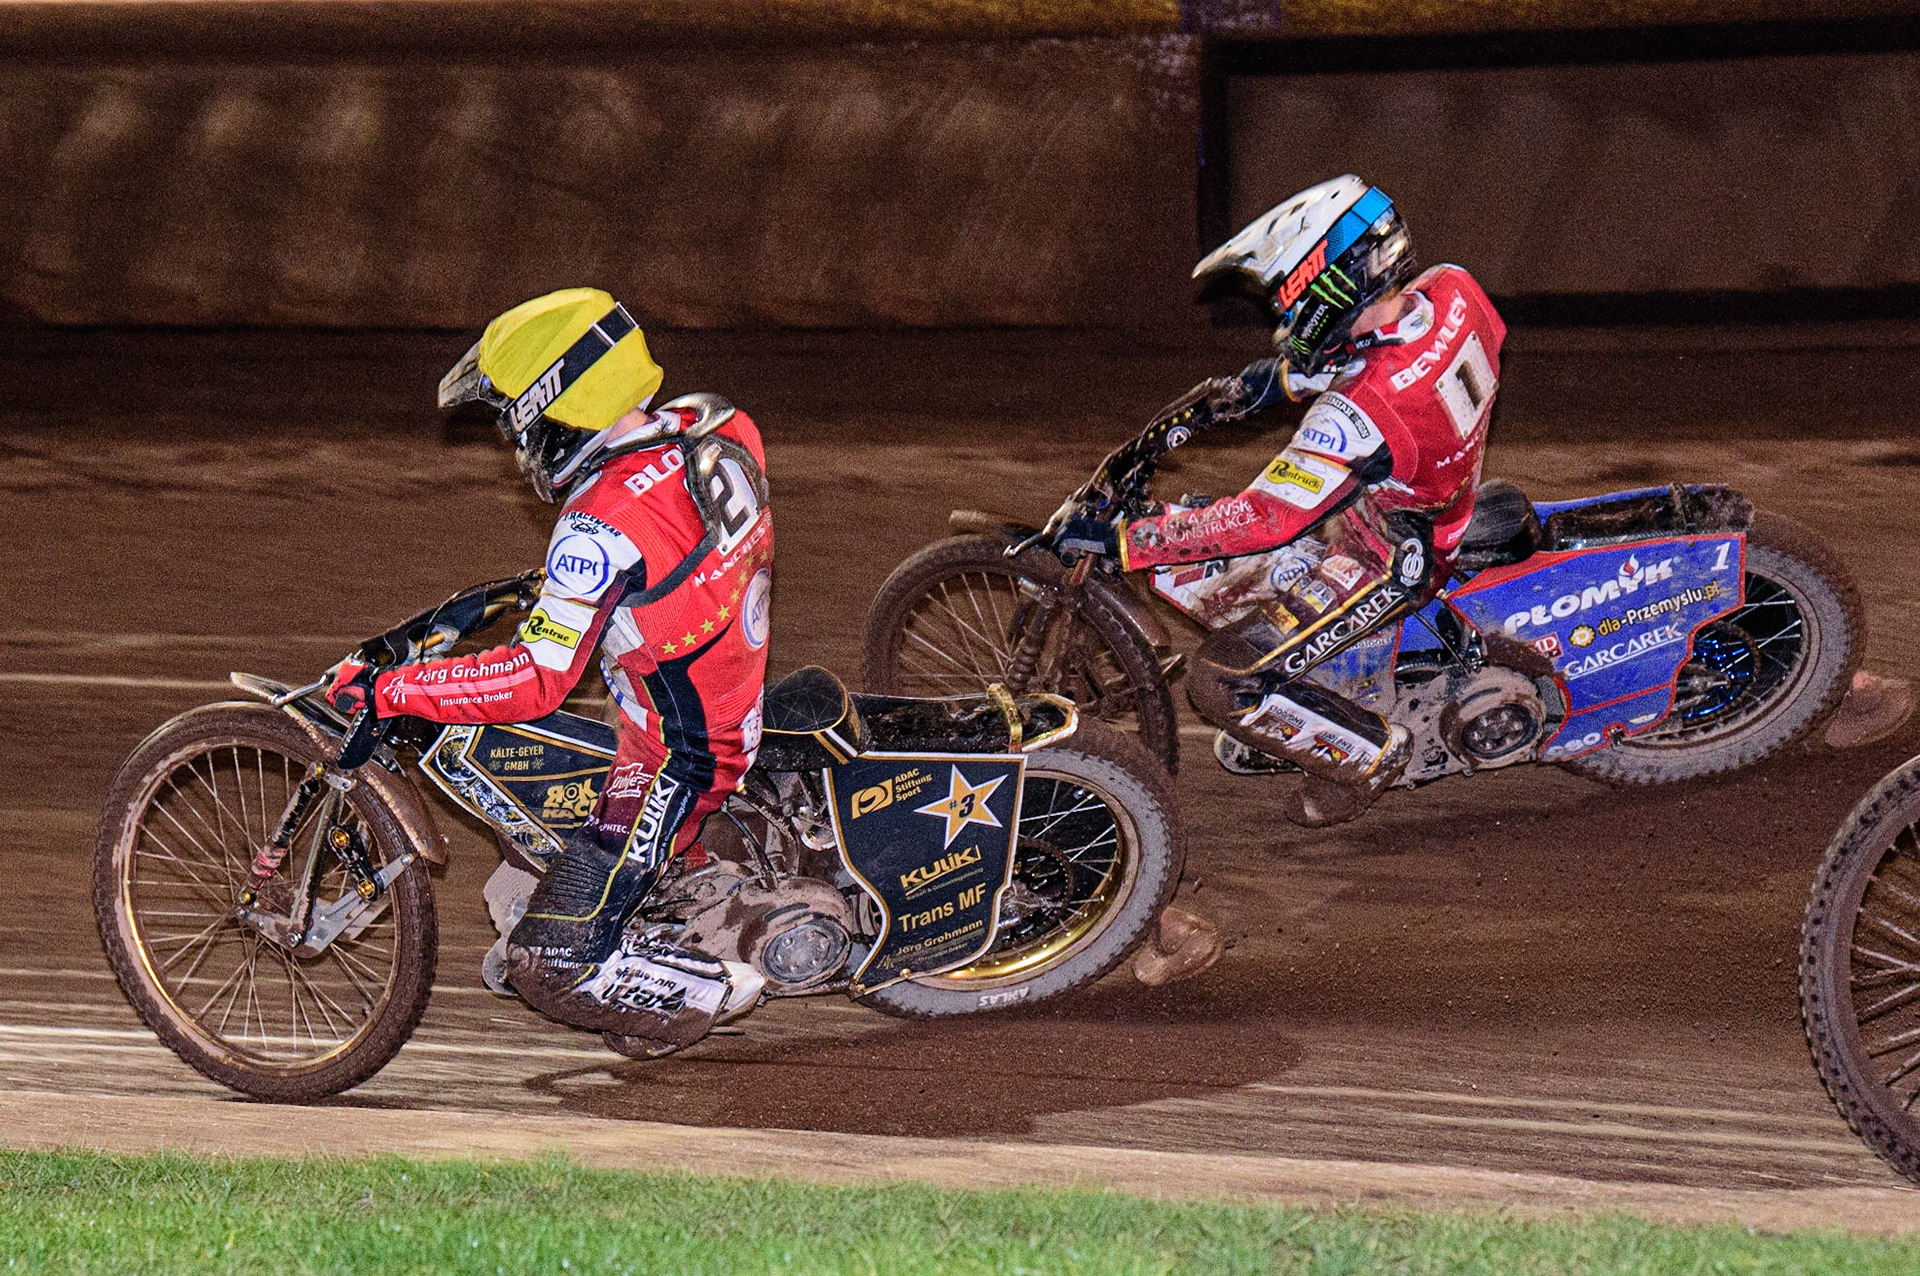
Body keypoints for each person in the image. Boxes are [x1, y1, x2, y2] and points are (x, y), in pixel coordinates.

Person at [325, 287, 775, 1049]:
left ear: (554, 405)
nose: (517, 442)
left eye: (515, 421)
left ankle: (722, 985)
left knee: (542, 964)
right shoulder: (718, 424)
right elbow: (666, 555)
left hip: (678, 755)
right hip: (724, 681)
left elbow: (537, 679)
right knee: (529, 805)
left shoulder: (595, 526)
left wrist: (392, 690)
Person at [1058, 176, 1507, 827]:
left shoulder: (1359, 413)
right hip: (1426, 497)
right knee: (1206, 537)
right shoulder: (1453, 290)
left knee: (1221, 678)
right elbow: (1376, 357)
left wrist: (1128, 541)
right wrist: (1238, 397)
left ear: (1328, 287)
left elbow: (1265, 517)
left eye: (1289, 300)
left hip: (1385, 554)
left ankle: (1368, 757)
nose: (1285, 318)